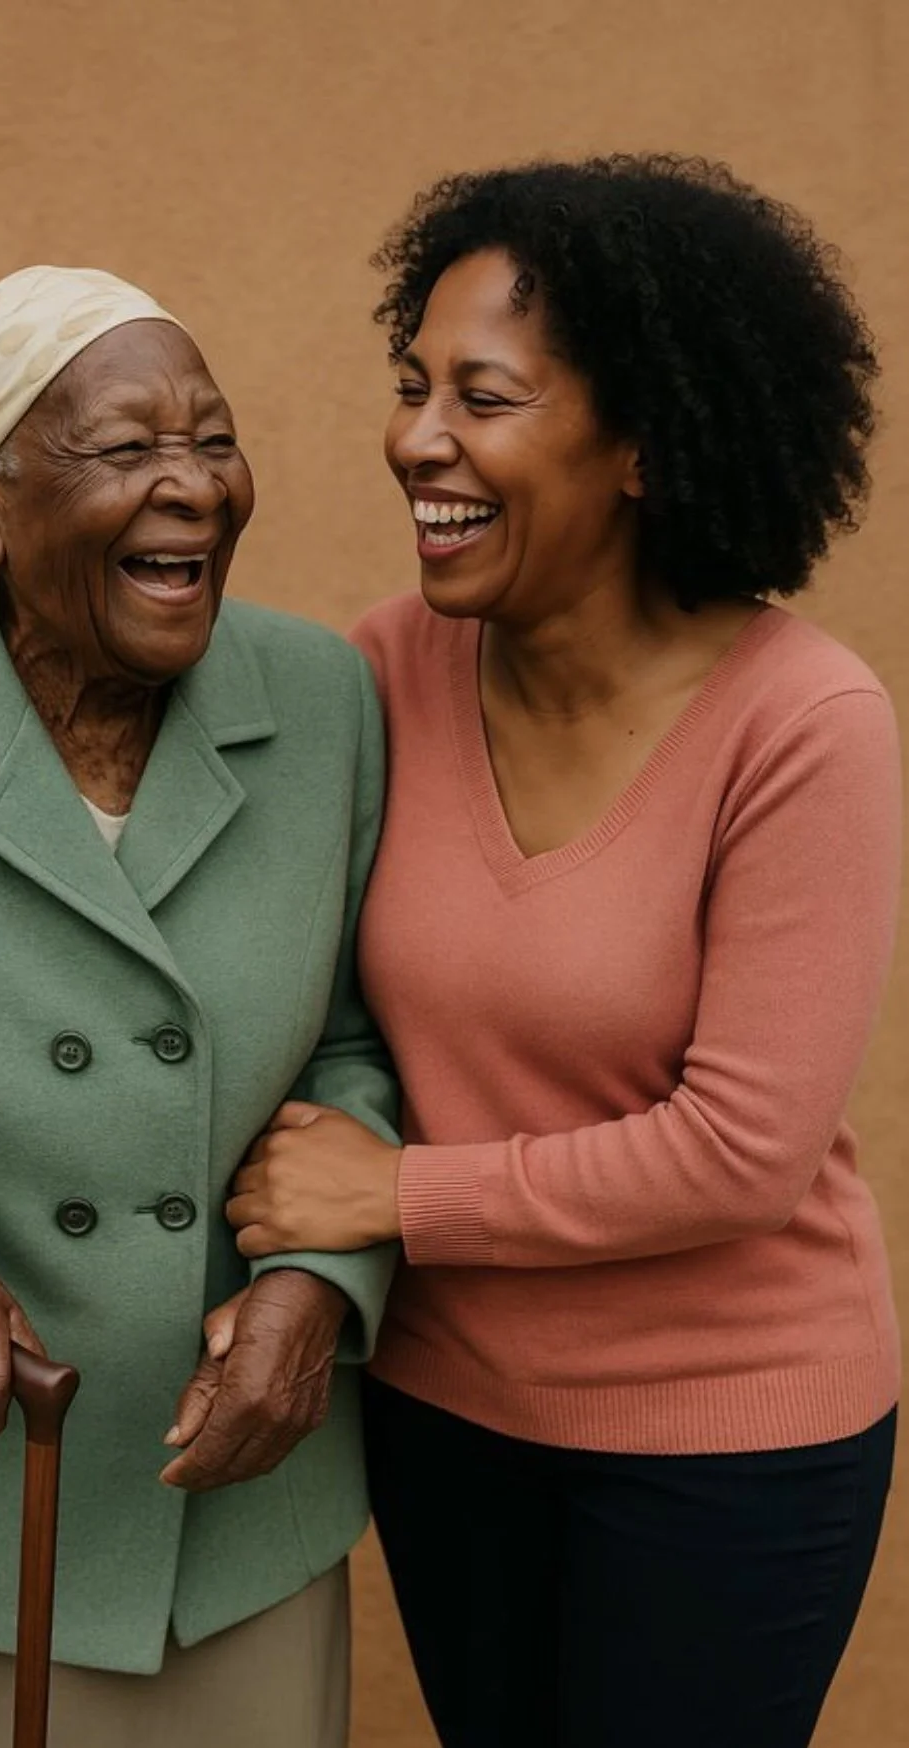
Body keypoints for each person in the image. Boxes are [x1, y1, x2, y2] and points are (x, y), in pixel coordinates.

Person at [226, 156, 901, 1748]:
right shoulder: (380, 672)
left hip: (725, 1444)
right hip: (445, 1415)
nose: (416, 440)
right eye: (411, 387)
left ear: (642, 448)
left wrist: (396, 1198)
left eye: (484, 396)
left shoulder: (802, 725)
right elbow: (291, 1004)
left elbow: (740, 1152)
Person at [0, 265, 397, 1748]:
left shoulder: (323, 702)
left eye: (212, 440)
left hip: (233, 1511)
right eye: (124, 451)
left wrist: (320, 1294)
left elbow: (361, 1045)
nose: (191, 489)